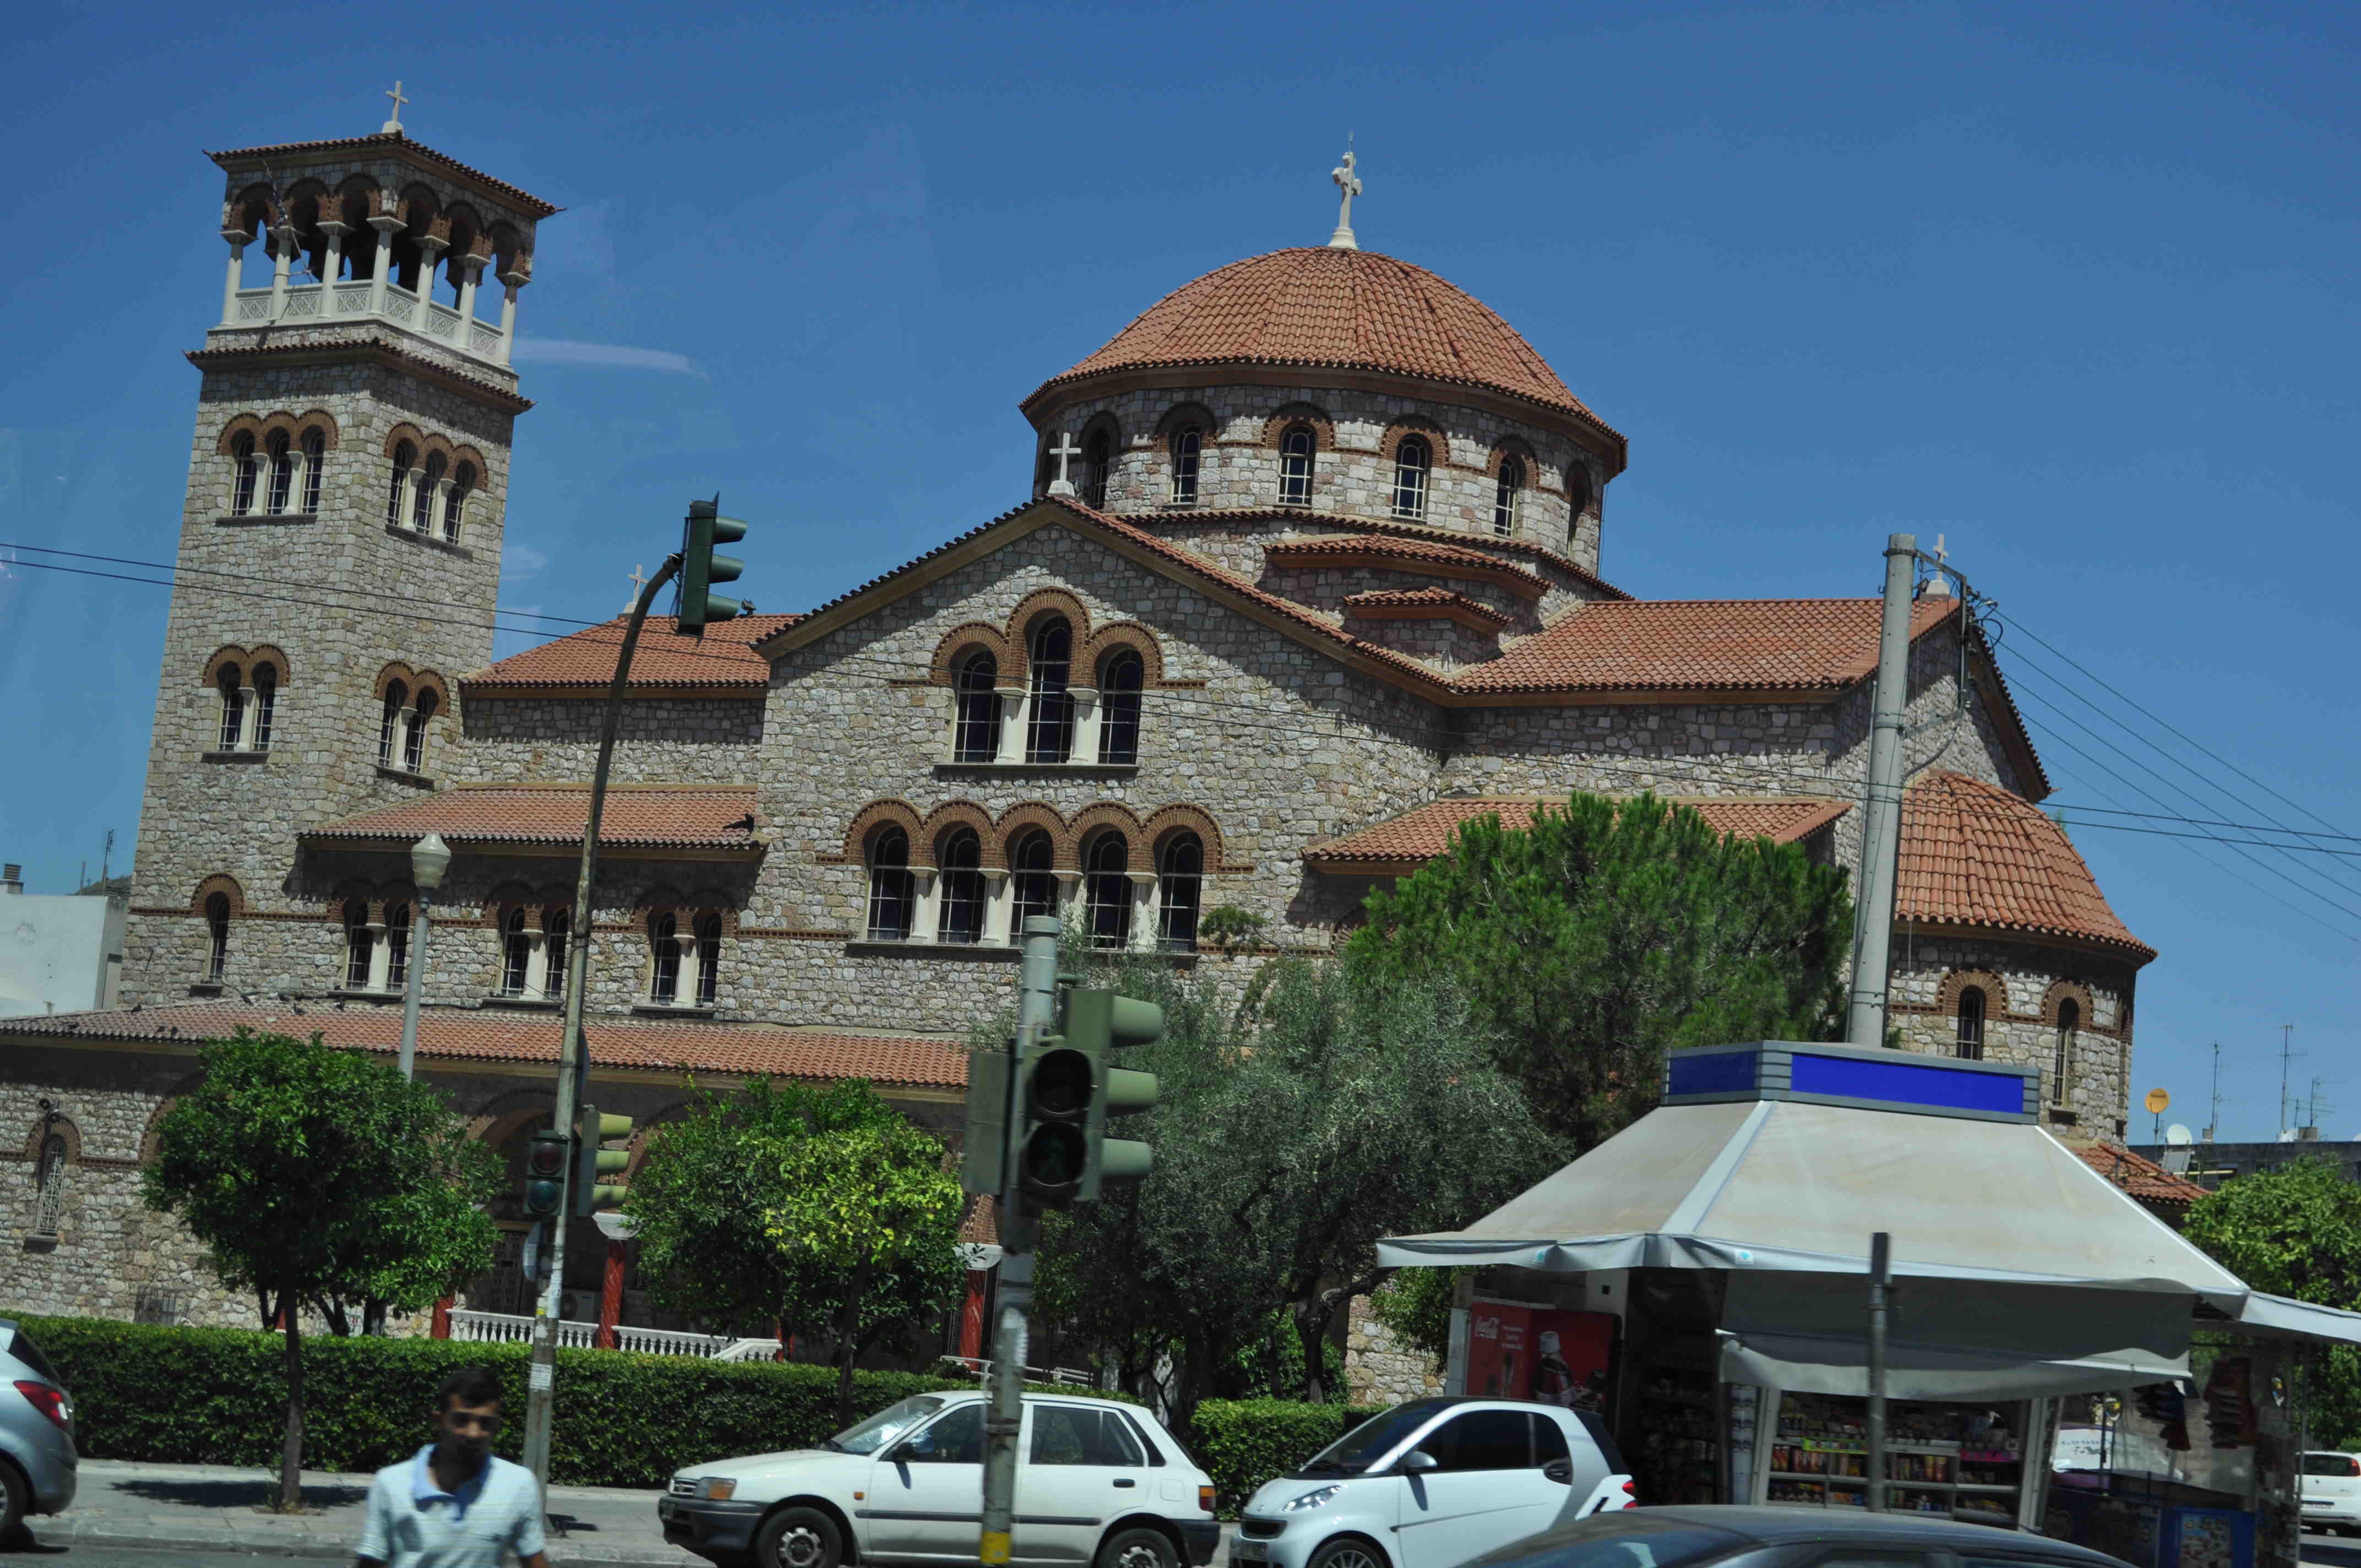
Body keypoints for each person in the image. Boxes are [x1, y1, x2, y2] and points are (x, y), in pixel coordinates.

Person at [355, 1365, 549, 1568]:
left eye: (485, 1423)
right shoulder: (391, 1484)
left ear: (496, 1427)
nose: (473, 1433)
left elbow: (535, 1560)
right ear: (438, 1421)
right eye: (461, 1420)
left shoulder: (518, 1484)